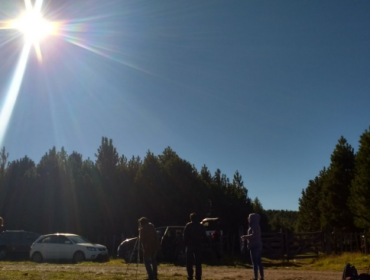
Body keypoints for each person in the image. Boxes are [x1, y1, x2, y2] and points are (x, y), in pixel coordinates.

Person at [183, 213, 207, 280]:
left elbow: (185, 236)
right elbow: (204, 236)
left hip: (190, 245)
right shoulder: (200, 226)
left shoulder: (188, 225)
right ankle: (198, 276)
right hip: (198, 245)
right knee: (198, 262)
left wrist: (185, 244)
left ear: (191, 218)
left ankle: (190, 275)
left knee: (189, 262)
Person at [241, 213, 264, 280]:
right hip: (257, 245)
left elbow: (254, 235)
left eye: (249, 217)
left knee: (255, 262)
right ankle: (261, 276)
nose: (248, 219)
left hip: (254, 246)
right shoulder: (256, 225)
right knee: (259, 261)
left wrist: (245, 237)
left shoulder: (254, 225)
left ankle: (256, 277)